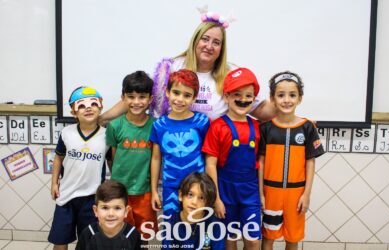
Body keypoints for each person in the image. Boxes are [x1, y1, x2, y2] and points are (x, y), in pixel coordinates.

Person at [99, 9, 275, 123]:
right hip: (174, 151)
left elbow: (259, 107)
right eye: (205, 39)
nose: (209, 46)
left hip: (213, 153)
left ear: (222, 48)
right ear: (195, 40)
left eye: (216, 42)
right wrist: (102, 119)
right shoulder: (171, 68)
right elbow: (139, 96)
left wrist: (284, 103)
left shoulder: (230, 74)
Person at [258, 71, 325, 250]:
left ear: (300, 98)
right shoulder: (266, 128)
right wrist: (261, 193)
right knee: (268, 237)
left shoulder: (307, 128)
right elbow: (261, 162)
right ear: (272, 98)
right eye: (281, 95)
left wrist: (306, 194)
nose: (287, 100)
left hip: (296, 194)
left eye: (292, 95)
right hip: (271, 192)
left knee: (292, 238)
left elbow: (310, 163)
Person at [202, 68, 262, 250]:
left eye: (248, 95)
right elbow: (210, 165)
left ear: (253, 98)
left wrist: (261, 194)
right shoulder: (217, 127)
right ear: (226, 97)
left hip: (250, 191)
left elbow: (261, 162)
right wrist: (217, 199)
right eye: (237, 94)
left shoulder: (258, 126)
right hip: (225, 190)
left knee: (253, 240)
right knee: (230, 239)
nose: (243, 100)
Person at [48, 86, 108, 250]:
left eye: (93, 104)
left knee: (89, 242)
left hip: (92, 198)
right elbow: (58, 158)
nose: (88, 108)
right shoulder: (66, 133)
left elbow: (112, 163)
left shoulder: (107, 135)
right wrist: (54, 183)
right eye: (81, 105)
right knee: (60, 240)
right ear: (74, 112)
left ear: (101, 107)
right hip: (66, 195)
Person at [150, 69, 210, 216]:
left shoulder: (202, 122)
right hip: (171, 187)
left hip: (198, 189)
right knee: (171, 230)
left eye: (187, 95)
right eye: (176, 93)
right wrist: (154, 191)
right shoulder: (159, 125)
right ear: (167, 92)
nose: (180, 99)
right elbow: (156, 158)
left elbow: (209, 156)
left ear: (194, 98)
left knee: (197, 228)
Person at [105, 71, 157, 235]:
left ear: (150, 99)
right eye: (131, 97)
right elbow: (114, 157)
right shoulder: (114, 126)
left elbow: (156, 158)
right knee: (121, 234)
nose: (136, 102)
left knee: (144, 235)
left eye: (142, 97)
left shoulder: (156, 126)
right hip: (120, 192)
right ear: (123, 98)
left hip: (145, 192)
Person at [163, 172, 225, 249]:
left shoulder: (215, 225)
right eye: (190, 195)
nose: (194, 202)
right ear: (180, 195)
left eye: (201, 198)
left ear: (208, 203)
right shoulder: (171, 223)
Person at [76, 180, 143, 250]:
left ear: (126, 211)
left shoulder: (133, 234)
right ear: (95, 211)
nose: (111, 214)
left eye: (117, 208)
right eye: (105, 208)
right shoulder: (88, 234)